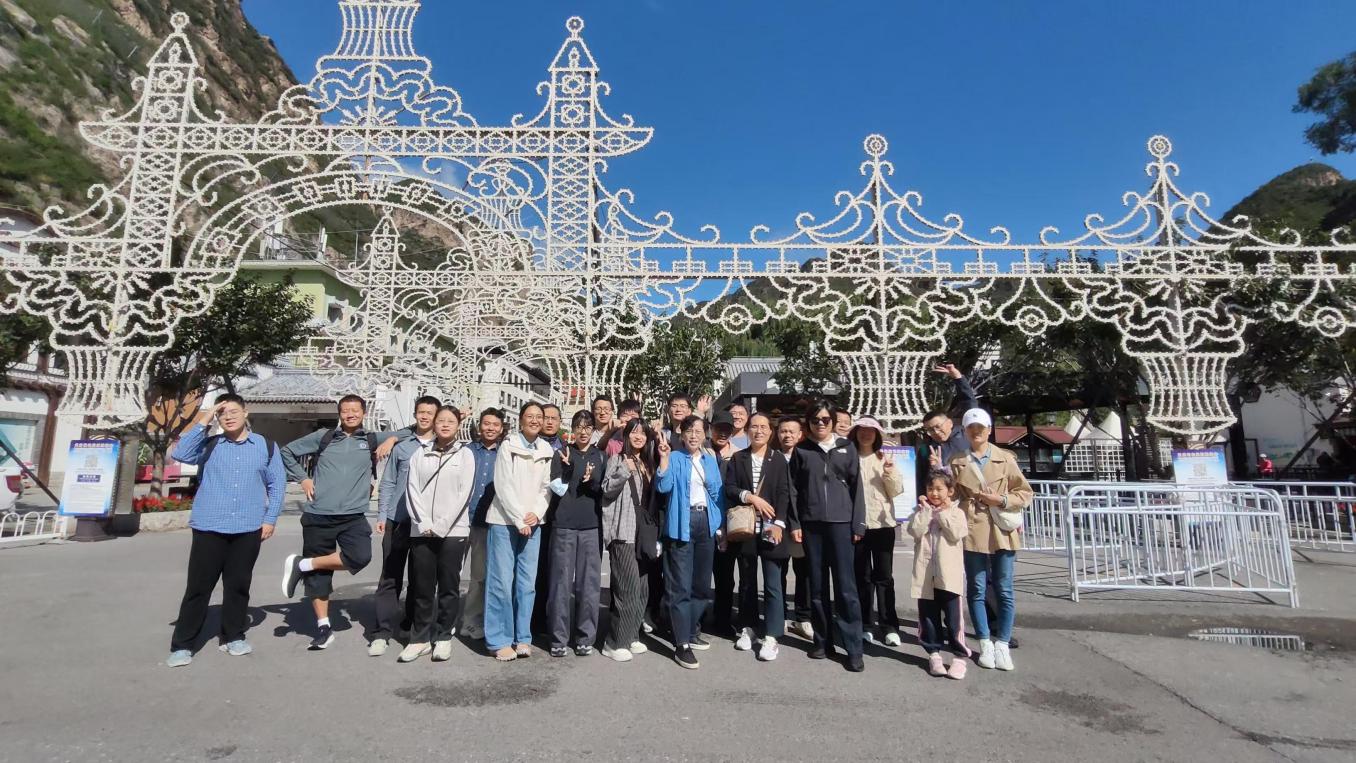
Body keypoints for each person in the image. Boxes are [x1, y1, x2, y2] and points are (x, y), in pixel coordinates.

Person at [165, 395, 285, 667]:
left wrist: (270, 519)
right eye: (222, 413)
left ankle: (233, 636)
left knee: (238, 586)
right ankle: (183, 645)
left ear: (246, 412)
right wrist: (205, 418)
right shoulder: (210, 445)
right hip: (210, 526)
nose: (228, 417)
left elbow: (277, 484)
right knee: (198, 588)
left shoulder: (266, 446)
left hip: (248, 527)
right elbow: (180, 453)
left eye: (233, 411)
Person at [280, 395, 401, 650]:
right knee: (319, 578)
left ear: (363, 413)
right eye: (345, 410)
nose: (350, 414)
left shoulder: (370, 439)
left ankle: (303, 564)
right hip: (318, 514)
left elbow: (411, 432)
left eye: (355, 410)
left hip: (353, 516)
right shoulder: (324, 437)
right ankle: (323, 628)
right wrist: (303, 478)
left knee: (360, 556)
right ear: (339, 413)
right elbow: (287, 451)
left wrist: (391, 439)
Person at [950, 408, 1033, 672]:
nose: (976, 431)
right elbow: (950, 494)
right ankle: (985, 641)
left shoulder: (1005, 458)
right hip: (972, 527)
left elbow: (1025, 492)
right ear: (965, 431)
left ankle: (1003, 643)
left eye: (981, 427)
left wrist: (1002, 499)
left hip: (1000, 529)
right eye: (971, 427)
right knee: (976, 588)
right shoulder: (956, 461)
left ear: (989, 430)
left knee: (1004, 588)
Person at [790, 400, 866, 672]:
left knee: (846, 588)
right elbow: (793, 490)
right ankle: (822, 641)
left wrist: (858, 524)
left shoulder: (847, 448)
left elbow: (857, 488)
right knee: (818, 587)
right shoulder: (802, 450)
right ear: (808, 423)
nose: (820, 424)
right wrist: (795, 523)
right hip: (812, 525)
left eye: (825, 419)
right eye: (815, 420)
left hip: (841, 524)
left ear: (833, 421)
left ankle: (854, 648)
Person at [396, 406, 475, 663]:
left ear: (458, 425)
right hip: (422, 530)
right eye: (441, 420)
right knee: (422, 586)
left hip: (453, 531)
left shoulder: (465, 455)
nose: (445, 424)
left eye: (450, 421)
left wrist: (441, 525)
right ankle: (419, 639)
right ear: (434, 423)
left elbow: (465, 494)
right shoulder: (420, 453)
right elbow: (412, 490)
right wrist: (424, 522)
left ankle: (443, 637)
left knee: (449, 587)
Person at [369, 395, 441, 657]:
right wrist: (382, 515)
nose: (425, 416)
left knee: (420, 578)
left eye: (430, 413)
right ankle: (382, 632)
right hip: (397, 519)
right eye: (421, 411)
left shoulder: (443, 446)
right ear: (415, 414)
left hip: (426, 523)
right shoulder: (402, 446)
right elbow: (388, 482)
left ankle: (410, 624)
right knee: (390, 576)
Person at [485, 401, 555, 661]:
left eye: (539, 416)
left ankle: (523, 637)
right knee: (501, 583)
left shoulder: (546, 449)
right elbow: (503, 485)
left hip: (533, 523)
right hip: (505, 521)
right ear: (521, 420)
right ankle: (498, 639)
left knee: (526, 584)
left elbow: (547, 487)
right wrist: (519, 518)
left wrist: (536, 513)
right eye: (530, 416)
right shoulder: (509, 445)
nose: (535, 420)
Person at [723, 412, 794, 662]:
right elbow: (729, 488)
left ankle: (772, 635)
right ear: (747, 431)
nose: (759, 431)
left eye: (764, 427)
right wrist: (750, 496)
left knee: (773, 584)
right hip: (746, 528)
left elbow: (785, 493)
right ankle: (748, 627)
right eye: (754, 427)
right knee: (747, 581)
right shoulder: (738, 457)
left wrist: (780, 523)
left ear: (770, 432)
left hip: (772, 527)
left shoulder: (778, 459)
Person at [655, 415, 724, 669]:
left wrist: (720, 527)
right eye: (689, 431)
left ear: (705, 435)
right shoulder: (675, 457)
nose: (694, 435)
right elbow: (663, 487)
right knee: (680, 586)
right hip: (681, 523)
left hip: (706, 522)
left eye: (699, 431)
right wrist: (663, 459)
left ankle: (691, 629)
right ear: (682, 435)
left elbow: (717, 494)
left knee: (702, 585)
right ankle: (681, 642)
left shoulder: (710, 459)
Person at [546, 410, 607, 658]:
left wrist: (590, 481)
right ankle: (558, 638)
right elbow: (557, 488)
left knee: (589, 585)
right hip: (564, 525)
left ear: (593, 430)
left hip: (591, 526)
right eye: (579, 426)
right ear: (572, 429)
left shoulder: (600, 456)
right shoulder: (562, 453)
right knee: (560, 584)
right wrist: (568, 470)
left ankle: (585, 637)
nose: (583, 431)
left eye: (588, 427)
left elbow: (602, 491)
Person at [599, 419, 661, 662]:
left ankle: (632, 634)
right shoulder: (617, 459)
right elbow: (606, 489)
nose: (638, 437)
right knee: (628, 588)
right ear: (626, 436)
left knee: (643, 587)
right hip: (623, 531)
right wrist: (624, 470)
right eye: (634, 432)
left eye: (643, 433)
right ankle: (614, 642)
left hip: (642, 532)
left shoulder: (647, 462)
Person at [907, 470, 970, 680]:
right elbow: (915, 531)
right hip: (926, 576)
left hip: (948, 576)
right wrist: (925, 512)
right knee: (928, 617)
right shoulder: (920, 511)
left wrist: (942, 513)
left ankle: (959, 657)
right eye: (930, 489)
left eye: (939, 489)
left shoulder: (957, 512)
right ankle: (933, 654)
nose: (934, 493)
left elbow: (956, 533)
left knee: (953, 619)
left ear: (950, 491)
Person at [850, 416, 906, 646]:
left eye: (870, 431)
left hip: (883, 525)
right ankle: (865, 624)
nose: (866, 434)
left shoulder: (885, 458)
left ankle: (889, 625)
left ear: (877, 435)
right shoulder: (848, 457)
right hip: (857, 526)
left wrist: (889, 472)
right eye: (861, 430)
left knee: (884, 577)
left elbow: (897, 491)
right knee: (862, 578)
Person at [460, 408, 504, 641]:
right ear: (479, 426)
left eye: (495, 424)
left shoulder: (504, 453)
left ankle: (470, 621)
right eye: (486, 423)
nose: (490, 428)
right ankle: (443, 621)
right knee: (449, 574)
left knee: (478, 576)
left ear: (501, 428)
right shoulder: (466, 451)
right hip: (458, 520)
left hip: (484, 522)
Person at [776, 415, 814, 642]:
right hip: (779, 523)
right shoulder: (773, 458)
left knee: (804, 571)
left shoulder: (808, 457)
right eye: (783, 431)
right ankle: (779, 614)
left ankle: (803, 617)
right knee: (778, 570)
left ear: (801, 434)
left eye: (792, 431)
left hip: (803, 523)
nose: (787, 435)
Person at [918, 363, 979, 489]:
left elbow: (970, 405)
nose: (936, 432)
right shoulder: (927, 449)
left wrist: (958, 378)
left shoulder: (966, 434)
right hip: (945, 497)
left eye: (938, 426)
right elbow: (921, 478)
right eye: (930, 430)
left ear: (949, 423)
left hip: (971, 492)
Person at [708, 410, 740, 638]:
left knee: (725, 576)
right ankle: (697, 619)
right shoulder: (700, 451)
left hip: (728, 521)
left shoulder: (738, 455)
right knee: (698, 576)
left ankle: (722, 621)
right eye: (719, 428)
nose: (722, 433)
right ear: (711, 429)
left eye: (727, 430)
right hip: (702, 520)